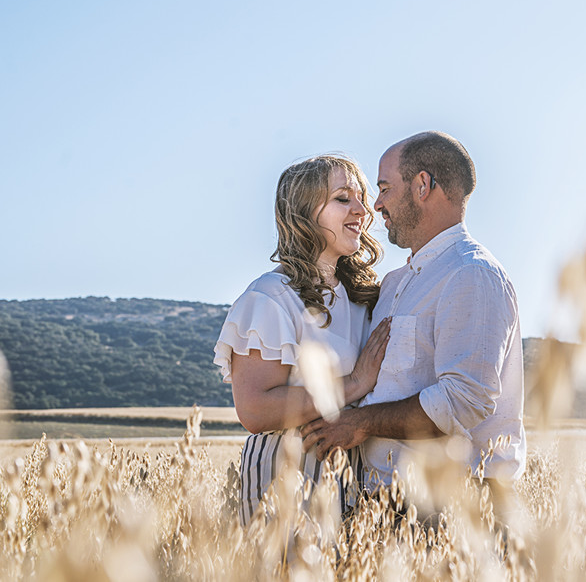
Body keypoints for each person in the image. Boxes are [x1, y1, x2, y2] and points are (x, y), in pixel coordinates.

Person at [301, 132, 526, 515]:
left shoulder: (472, 274)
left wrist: (361, 424)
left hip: (453, 507)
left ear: (422, 185)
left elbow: (463, 400)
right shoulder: (394, 284)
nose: (376, 204)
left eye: (385, 188)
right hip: (383, 506)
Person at [213, 154, 392, 525]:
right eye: (343, 198)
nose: (363, 210)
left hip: (353, 479)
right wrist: (355, 383)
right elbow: (255, 410)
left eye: (361, 197)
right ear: (304, 214)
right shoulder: (270, 296)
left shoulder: (362, 298)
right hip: (285, 478)